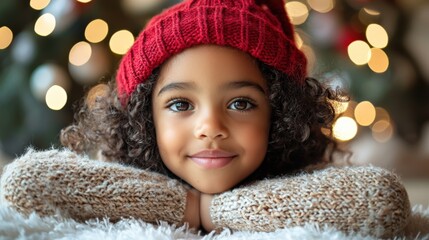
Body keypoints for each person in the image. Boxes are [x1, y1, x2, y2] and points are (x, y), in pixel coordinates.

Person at [0, 0, 411, 238]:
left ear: (281, 113)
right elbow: (25, 182)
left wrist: (214, 212)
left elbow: (381, 199)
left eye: (241, 104)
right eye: (181, 104)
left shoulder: (302, 176)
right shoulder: (121, 174)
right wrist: (187, 205)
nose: (210, 126)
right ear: (144, 118)